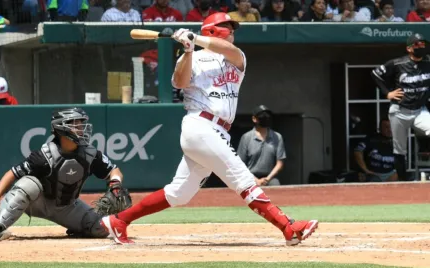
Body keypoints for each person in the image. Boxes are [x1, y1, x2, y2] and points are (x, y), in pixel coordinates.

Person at [100, 12, 318, 246]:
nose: (232, 30)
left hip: (218, 130)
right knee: (242, 178)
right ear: (211, 29)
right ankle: (288, 226)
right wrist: (187, 50)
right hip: (200, 126)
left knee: (179, 193)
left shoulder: (235, 56)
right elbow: (181, 83)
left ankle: (119, 220)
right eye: (226, 26)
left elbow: (225, 48)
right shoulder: (193, 57)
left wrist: (193, 37)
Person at [0, 107, 131, 241]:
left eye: (81, 125)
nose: (81, 129)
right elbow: (12, 173)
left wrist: (115, 183)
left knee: (101, 228)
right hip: (39, 203)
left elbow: (114, 170)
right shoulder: (44, 156)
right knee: (28, 184)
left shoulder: (90, 154)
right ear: (62, 128)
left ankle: (79, 228)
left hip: (68, 207)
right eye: (76, 125)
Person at [371, 33, 430, 181]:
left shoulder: (428, 62)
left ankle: (424, 148)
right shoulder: (397, 63)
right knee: (399, 150)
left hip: (419, 110)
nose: (421, 47)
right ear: (409, 48)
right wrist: (387, 93)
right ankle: (404, 183)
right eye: (417, 45)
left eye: (423, 44)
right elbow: (375, 74)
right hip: (399, 111)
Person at [237, 105, 286, 186]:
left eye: (268, 115)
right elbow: (240, 163)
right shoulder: (246, 137)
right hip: (250, 177)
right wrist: (256, 180)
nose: (265, 118)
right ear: (254, 119)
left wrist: (267, 179)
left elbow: (280, 163)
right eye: (262, 115)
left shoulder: (277, 137)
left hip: (270, 178)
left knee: (276, 186)